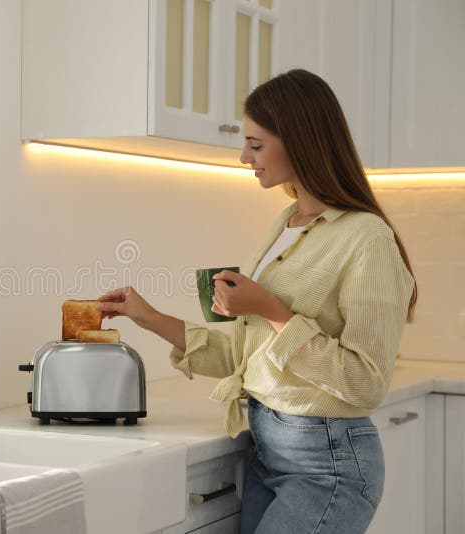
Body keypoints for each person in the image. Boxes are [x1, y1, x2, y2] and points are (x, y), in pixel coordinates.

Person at [96, 69, 416, 534]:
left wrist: (273, 311)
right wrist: (147, 317)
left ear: (300, 141)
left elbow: (366, 383)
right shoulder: (287, 223)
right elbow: (247, 359)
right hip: (268, 447)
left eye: (256, 144)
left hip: (327, 465)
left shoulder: (367, 238)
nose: (244, 156)